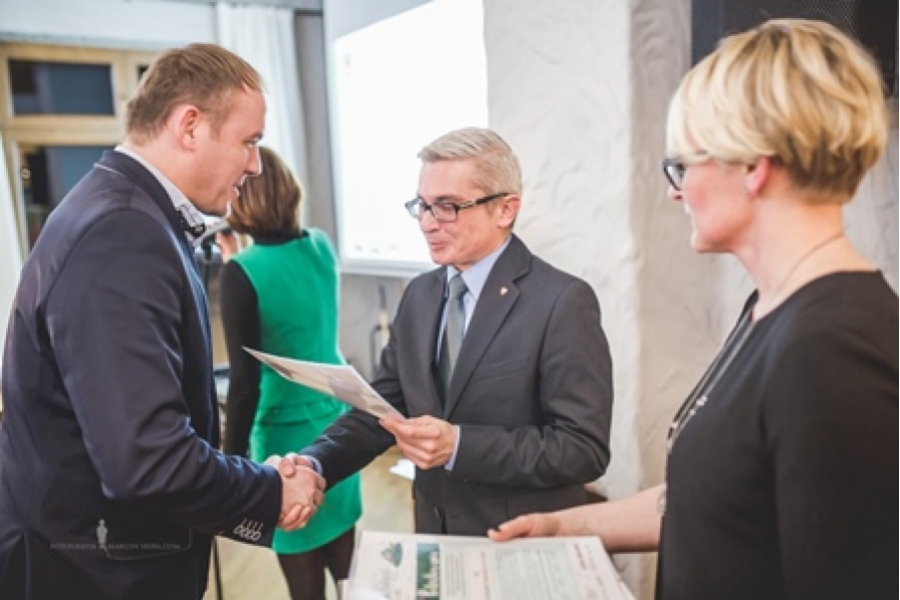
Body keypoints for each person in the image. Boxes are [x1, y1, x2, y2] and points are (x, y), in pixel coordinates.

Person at [490, 19, 897, 600]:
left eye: (684, 164)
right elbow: (717, 499)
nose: (675, 190)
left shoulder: (833, 350)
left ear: (753, 165)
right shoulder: (774, 307)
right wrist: (565, 527)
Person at [0, 43, 324, 600]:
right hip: (93, 573)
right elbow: (147, 461)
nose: (255, 164)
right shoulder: (122, 231)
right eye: (248, 141)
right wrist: (270, 491)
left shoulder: (118, 206)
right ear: (190, 125)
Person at [288, 126, 614, 536]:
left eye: (447, 207)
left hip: (519, 538)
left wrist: (460, 446)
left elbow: (583, 449)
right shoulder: (419, 295)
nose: (427, 223)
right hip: (433, 530)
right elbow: (382, 408)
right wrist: (315, 463)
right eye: (422, 206)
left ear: (505, 210)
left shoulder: (562, 302)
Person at [217, 146, 362, 600]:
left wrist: (230, 468)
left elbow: (244, 385)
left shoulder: (242, 273)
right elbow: (291, 297)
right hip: (338, 423)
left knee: (304, 581)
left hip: (286, 441)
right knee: (348, 572)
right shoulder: (321, 245)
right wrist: (238, 263)